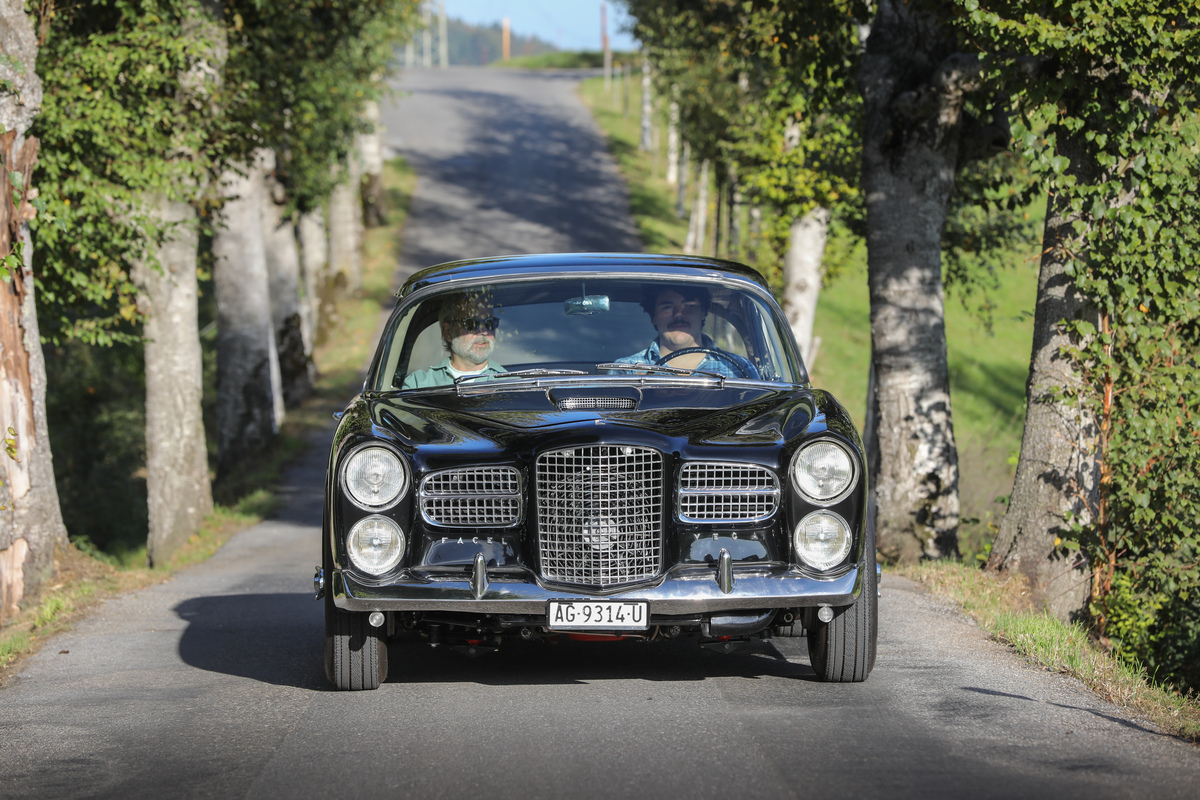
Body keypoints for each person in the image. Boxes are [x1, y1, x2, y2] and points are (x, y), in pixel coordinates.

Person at [613, 284, 759, 379]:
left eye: (688, 306)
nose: (678, 314)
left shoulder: (739, 369)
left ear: (703, 312)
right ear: (654, 317)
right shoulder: (626, 371)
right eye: (667, 307)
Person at [402, 293, 507, 388]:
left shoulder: (511, 385)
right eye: (472, 323)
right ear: (448, 332)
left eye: (490, 323)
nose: (484, 332)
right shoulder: (418, 385)